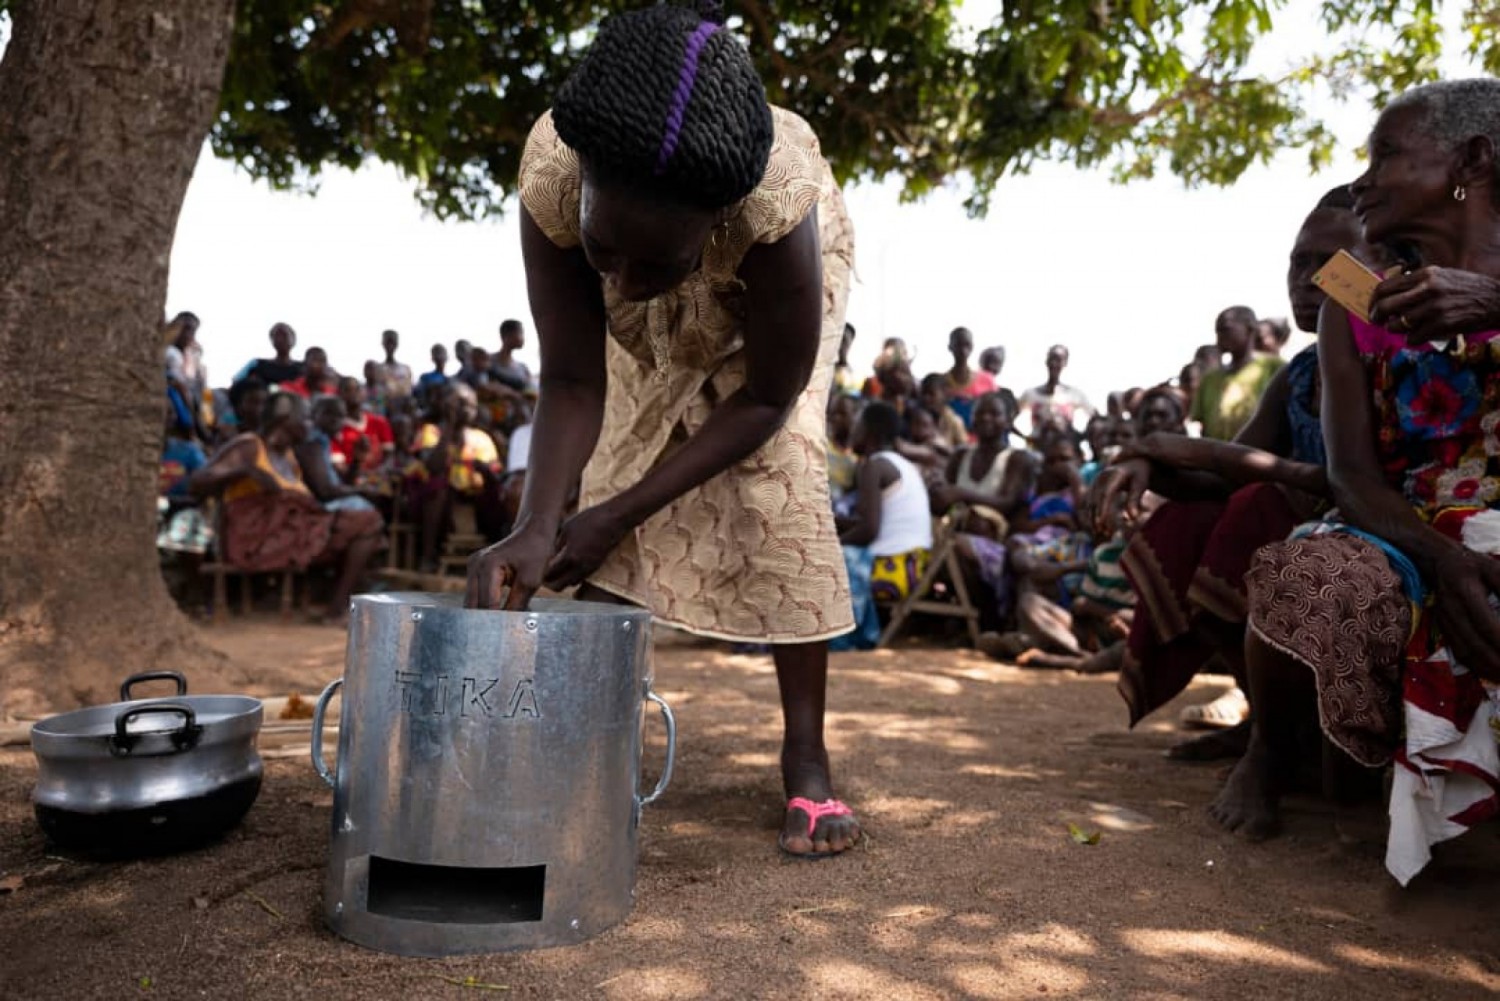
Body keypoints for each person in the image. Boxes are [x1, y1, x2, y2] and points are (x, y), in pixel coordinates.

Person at [465, 2, 861, 858]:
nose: (627, 281)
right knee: (616, 460)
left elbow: (764, 398)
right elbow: (572, 378)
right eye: (606, 250)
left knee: (778, 475)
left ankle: (807, 755)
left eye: (657, 262)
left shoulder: (774, 210)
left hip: (769, 327)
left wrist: (617, 512)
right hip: (663, 265)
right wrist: (537, 524)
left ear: (710, 226)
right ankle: (590, 735)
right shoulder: (557, 177)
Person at [1213, 82, 1500, 886]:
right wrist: (1443, 559)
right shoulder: (1355, 295)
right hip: (1408, 530)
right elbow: (1352, 476)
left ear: (1470, 162)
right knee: (1304, 572)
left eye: (1385, 155)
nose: (1365, 179)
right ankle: (1273, 747)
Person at [1092, 186, 1368, 760]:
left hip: (1369, 527)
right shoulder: (1297, 372)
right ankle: (1267, 724)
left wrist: (1196, 451)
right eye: (1298, 261)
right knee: (1185, 523)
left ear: (1377, 269)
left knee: (1254, 508)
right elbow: (1221, 477)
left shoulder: (1401, 356)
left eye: (1328, 262)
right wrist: (1149, 463)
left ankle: (1281, 745)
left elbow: (1343, 482)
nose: (1307, 277)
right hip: (1298, 526)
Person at [187, 392, 384, 623]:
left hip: (289, 533)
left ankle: (337, 607)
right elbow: (197, 483)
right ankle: (337, 608)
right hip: (254, 539)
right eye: (305, 418)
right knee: (366, 523)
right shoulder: (250, 446)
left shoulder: (289, 457)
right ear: (285, 420)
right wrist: (245, 471)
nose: (309, 425)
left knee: (367, 526)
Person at [834, 401, 933, 650]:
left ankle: (839, 637)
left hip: (890, 571)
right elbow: (871, 522)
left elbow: (869, 530)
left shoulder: (874, 466)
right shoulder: (902, 464)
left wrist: (831, 545)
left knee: (821, 559)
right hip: (912, 567)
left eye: (857, 425)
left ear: (870, 433)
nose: (852, 431)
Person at [409, 382, 504, 569]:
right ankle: (428, 555)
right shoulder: (432, 432)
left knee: (499, 493)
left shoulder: (481, 437)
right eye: (461, 404)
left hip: (473, 496)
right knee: (437, 486)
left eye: (472, 405)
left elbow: (495, 477)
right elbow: (434, 466)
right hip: (441, 497)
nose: (468, 409)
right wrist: (450, 426)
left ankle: (495, 556)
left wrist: (483, 469)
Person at [1189, 307, 1286, 441]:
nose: (1219, 337)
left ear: (1250, 329)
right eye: (1217, 332)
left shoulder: (1274, 368)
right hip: (1218, 455)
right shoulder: (1210, 379)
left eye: (1225, 330)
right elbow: (1199, 422)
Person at [297, 396, 382, 515]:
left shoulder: (324, 441)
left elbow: (344, 484)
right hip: (321, 510)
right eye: (329, 414)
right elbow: (325, 492)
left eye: (341, 416)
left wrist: (357, 459)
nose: (336, 420)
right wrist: (361, 491)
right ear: (314, 415)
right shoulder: (312, 443)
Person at [1019, 345, 1094, 437]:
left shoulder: (1074, 394)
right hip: (1038, 445)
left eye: (1058, 360)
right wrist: (1025, 438)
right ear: (1046, 361)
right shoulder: (1031, 394)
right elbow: (1008, 417)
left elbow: (1095, 418)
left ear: (1065, 363)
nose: (1054, 364)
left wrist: (1079, 437)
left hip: (1065, 445)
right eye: (1052, 359)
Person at [333, 376, 394, 480]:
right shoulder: (335, 429)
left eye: (357, 389)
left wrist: (379, 473)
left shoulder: (379, 422)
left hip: (382, 477)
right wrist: (357, 461)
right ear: (339, 395)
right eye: (348, 390)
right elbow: (342, 472)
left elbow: (390, 456)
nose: (354, 393)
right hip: (355, 483)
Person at [942, 326, 997, 428]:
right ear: (950, 347)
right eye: (958, 345)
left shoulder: (987, 380)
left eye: (967, 345)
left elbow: (995, 413)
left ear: (972, 347)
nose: (963, 350)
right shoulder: (941, 383)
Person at [236, 322, 305, 388]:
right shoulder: (257, 364)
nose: (280, 339)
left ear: (293, 340)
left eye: (284, 335)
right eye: (276, 335)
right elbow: (236, 382)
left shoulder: (304, 368)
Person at [918, 372, 969, 451]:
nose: (926, 398)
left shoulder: (954, 421)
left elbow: (964, 451)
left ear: (944, 395)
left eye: (931, 394)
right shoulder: (918, 416)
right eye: (924, 393)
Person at [826, 393, 859, 505]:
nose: (835, 418)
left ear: (854, 417)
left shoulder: (859, 456)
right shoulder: (821, 445)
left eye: (842, 413)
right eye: (833, 413)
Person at [491, 319, 535, 391]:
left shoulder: (523, 368)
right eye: (520, 333)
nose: (523, 338)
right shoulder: (487, 362)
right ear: (506, 335)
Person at [381, 329, 414, 400]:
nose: (390, 346)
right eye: (388, 342)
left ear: (397, 344)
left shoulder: (406, 369)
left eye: (392, 342)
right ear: (383, 344)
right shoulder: (378, 369)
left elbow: (408, 392)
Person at [832, 322, 861, 397]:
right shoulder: (820, 369)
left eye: (844, 341)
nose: (840, 345)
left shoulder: (852, 377)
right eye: (838, 340)